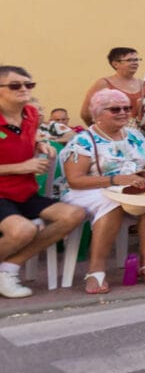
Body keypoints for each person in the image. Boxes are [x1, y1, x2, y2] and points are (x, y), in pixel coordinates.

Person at [58, 88, 145, 294]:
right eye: (115, 109)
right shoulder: (83, 140)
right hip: (90, 190)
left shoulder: (135, 136)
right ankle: (96, 270)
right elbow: (75, 181)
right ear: (97, 113)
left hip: (127, 189)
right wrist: (115, 179)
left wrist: (144, 178)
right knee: (113, 203)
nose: (123, 112)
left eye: (127, 108)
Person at [0, 67, 86, 298]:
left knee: (74, 214)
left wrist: (39, 143)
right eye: (15, 85)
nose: (24, 89)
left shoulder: (29, 113)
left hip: (25, 193)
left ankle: (8, 269)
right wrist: (20, 167)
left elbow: (31, 132)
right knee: (23, 230)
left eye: (29, 85)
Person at [79, 47, 145, 129]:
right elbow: (85, 113)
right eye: (129, 60)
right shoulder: (104, 83)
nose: (135, 63)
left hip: (140, 136)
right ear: (115, 64)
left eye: (136, 60)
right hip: (113, 135)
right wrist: (101, 130)